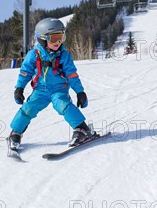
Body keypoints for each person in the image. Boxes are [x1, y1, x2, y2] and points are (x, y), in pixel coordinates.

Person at [7, 18, 93, 151]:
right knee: (28, 108)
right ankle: (15, 133)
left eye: (61, 38)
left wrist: (80, 91)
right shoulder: (33, 55)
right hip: (40, 91)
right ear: (42, 39)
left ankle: (82, 129)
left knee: (63, 105)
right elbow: (25, 72)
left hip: (59, 90)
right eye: (54, 39)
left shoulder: (64, 56)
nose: (58, 42)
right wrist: (19, 88)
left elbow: (72, 75)